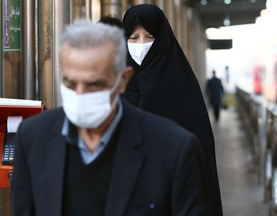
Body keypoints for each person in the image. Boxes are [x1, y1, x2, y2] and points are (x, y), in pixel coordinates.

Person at [13, 19, 209, 215]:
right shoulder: (32, 138)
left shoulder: (174, 149)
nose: (80, 95)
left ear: (123, 80)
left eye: (94, 84)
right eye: (70, 84)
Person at [122, 4, 223, 215]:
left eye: (149, 37)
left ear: (162, 40)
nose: (141, 44)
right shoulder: (116, 86)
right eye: (133, 38)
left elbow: (199, 147)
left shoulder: (180, 84)